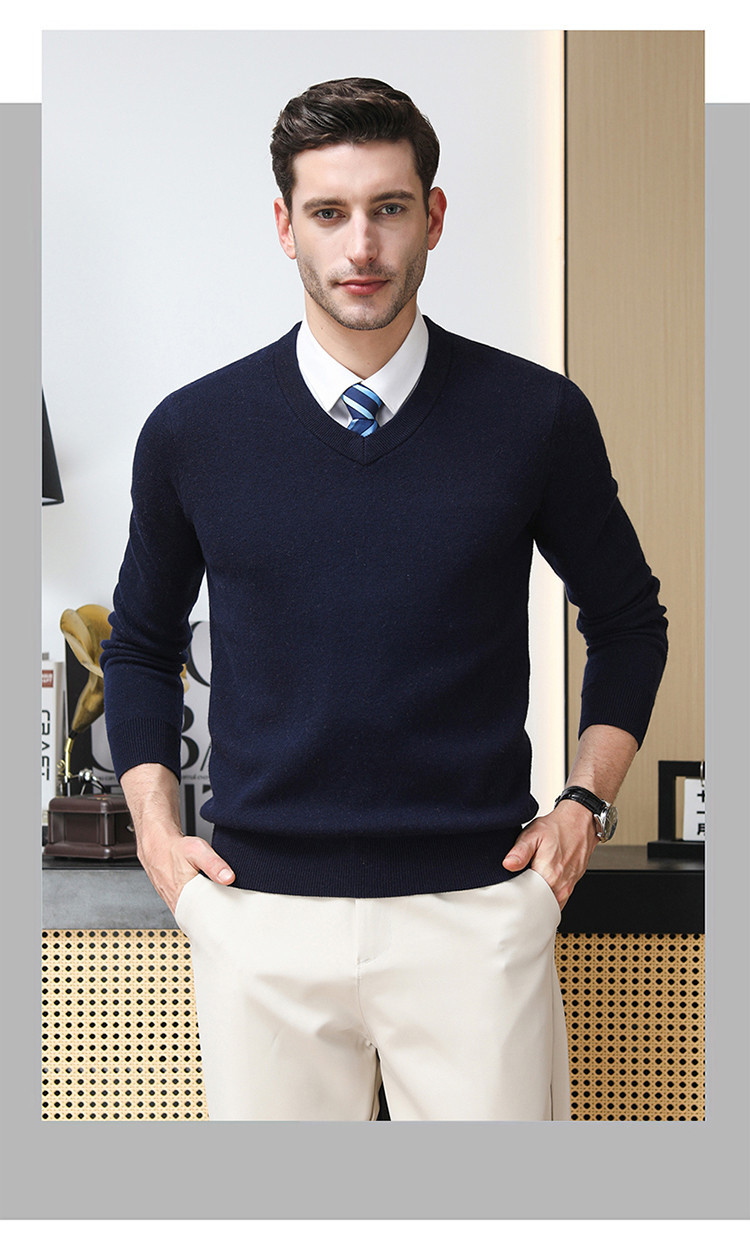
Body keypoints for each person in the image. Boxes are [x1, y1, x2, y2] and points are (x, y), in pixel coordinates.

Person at [101, 77, 668, 1121]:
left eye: (389, 208)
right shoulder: (192, 431)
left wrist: (585, 803)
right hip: (258, 913)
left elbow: (629, 620)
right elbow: (139, 644)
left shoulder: (535, 416)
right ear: (285, 227)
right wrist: (153, 830)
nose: (360, 245)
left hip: (476, 914)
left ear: (433, 216)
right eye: (329, 212)